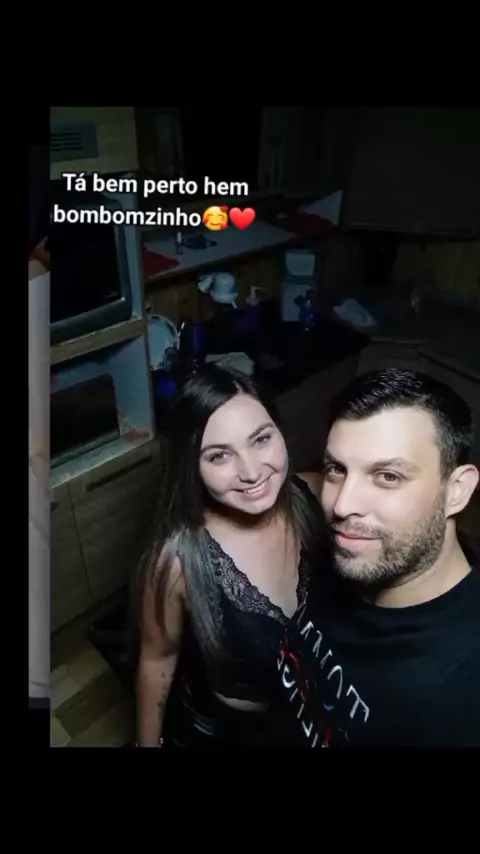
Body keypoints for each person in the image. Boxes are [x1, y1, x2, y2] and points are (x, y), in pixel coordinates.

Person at [277, 368, 480, 747]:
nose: (342, 505)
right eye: (336, 469)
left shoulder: (459, 695)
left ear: (456, 490)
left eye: (387, 476)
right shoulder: (358, 554)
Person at [134, 364, 325, 747]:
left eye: (261, 439)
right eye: (220, 456)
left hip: (312, 717)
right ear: (192, 466)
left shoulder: (317, 495)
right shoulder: (178, 562)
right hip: (232, 732)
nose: (251, 472)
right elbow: (157, 659)